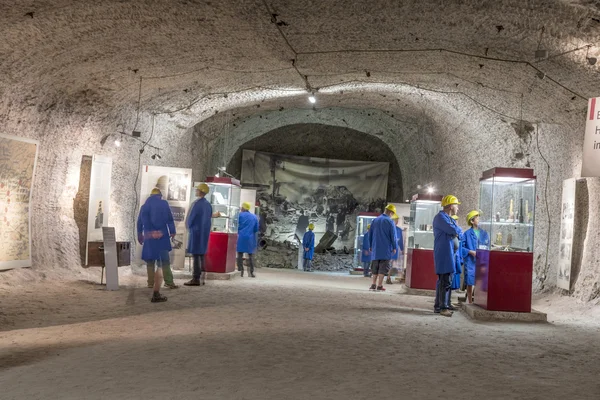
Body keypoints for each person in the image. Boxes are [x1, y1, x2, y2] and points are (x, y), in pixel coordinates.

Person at [137, 187, 176, 303]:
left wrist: (140, 234)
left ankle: (150, 283)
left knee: (150, 261)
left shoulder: (144, 206)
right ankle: (169, 282)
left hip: (149, 236)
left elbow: (140, 222)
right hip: (162, 235)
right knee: (164, 261)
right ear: (160, 195)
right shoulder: (164, 204)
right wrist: (172, 231)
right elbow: (169, 219)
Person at [433, 195, 463, 317]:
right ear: (451, 206)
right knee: (444, 280)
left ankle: (445, 304)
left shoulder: (448, 218)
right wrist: (456, 230)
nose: (458, 208)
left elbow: (459, 231)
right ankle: (442, 307)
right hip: (445, 253)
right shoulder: (440, 218)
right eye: (456, 205)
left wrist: (457, 230)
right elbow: (454, 230)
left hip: (450, 253)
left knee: (447, 280)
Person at [184, 183, 213, 286]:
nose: (196, 191)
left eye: (197, 190)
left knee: (196, 255)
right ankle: (202, 277)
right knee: (201, 255)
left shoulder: (196, 204)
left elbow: (191, 219)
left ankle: (195, 278)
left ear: (200, 191)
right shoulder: (208, 205)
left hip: (196, 232)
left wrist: (188, 226)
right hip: (204, 233)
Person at [368, 204, 398, 292]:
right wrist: (394, 247)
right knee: (383, 267)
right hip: (386, 248)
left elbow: (370, 234)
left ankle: (373, 284)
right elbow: (393, 236)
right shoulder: (390, 221)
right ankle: (380, 285)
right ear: (391, 212)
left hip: (375, 247)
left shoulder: (375, 220)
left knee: (375, 266)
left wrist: (370, 245)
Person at [463, 210, 490, 303]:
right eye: (477, 218)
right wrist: (470, 251)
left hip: (482, 260)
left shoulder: (484, 233)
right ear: (472, 221)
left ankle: (478, 300)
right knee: (470, 280)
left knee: (481, 281)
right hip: (471, 261)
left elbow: (488, 245)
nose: (479, 220)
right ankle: (470, 301)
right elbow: (461, 248)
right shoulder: (466, 234)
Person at [237, 202, 259, 277]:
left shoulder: (239, 215)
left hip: (241, 237)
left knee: (240, 255)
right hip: (250, 238)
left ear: (243, 208)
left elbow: (235, 225)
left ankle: (240, 271)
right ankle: (251, 272)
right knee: (250, 256)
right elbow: (256, 228)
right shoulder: (254, 217)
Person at [386, 214, 405, 285]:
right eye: (396, 220)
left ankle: (398, 277)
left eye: (397, 220)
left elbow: (400, 240)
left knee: (396, 264)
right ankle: (388, 277)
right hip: (390, 250)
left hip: (395, 250)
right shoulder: (389, 230)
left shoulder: (399, 230)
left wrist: (402, 249)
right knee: (389, 264)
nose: (397, 221)